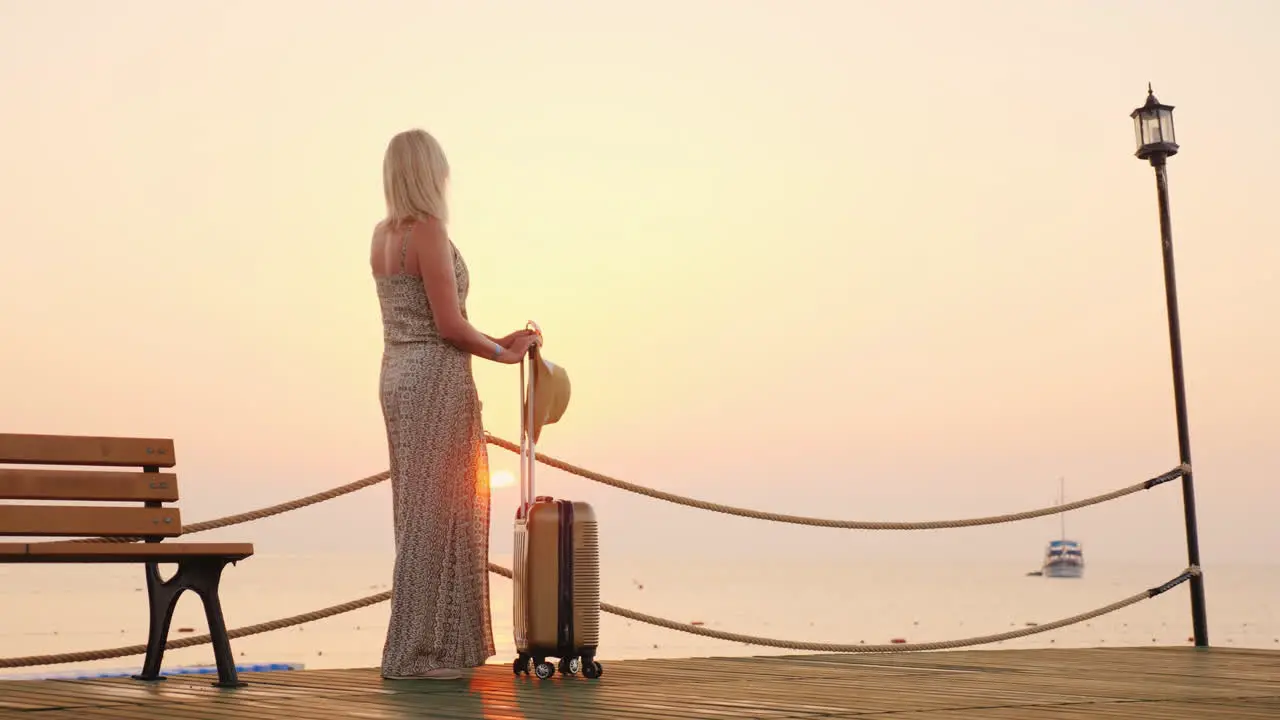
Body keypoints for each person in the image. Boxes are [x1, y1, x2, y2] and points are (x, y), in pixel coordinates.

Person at [370, 128, 539, 680]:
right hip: (436, 379)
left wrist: (495, 340)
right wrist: (503, 353)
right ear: (429, 172)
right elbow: (447, 325)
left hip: (396, 374)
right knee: (442, 514)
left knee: (414, 515)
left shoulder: (381, 235)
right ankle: (424, 653)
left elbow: (423, 320)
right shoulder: (430, 230)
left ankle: (417, 648)